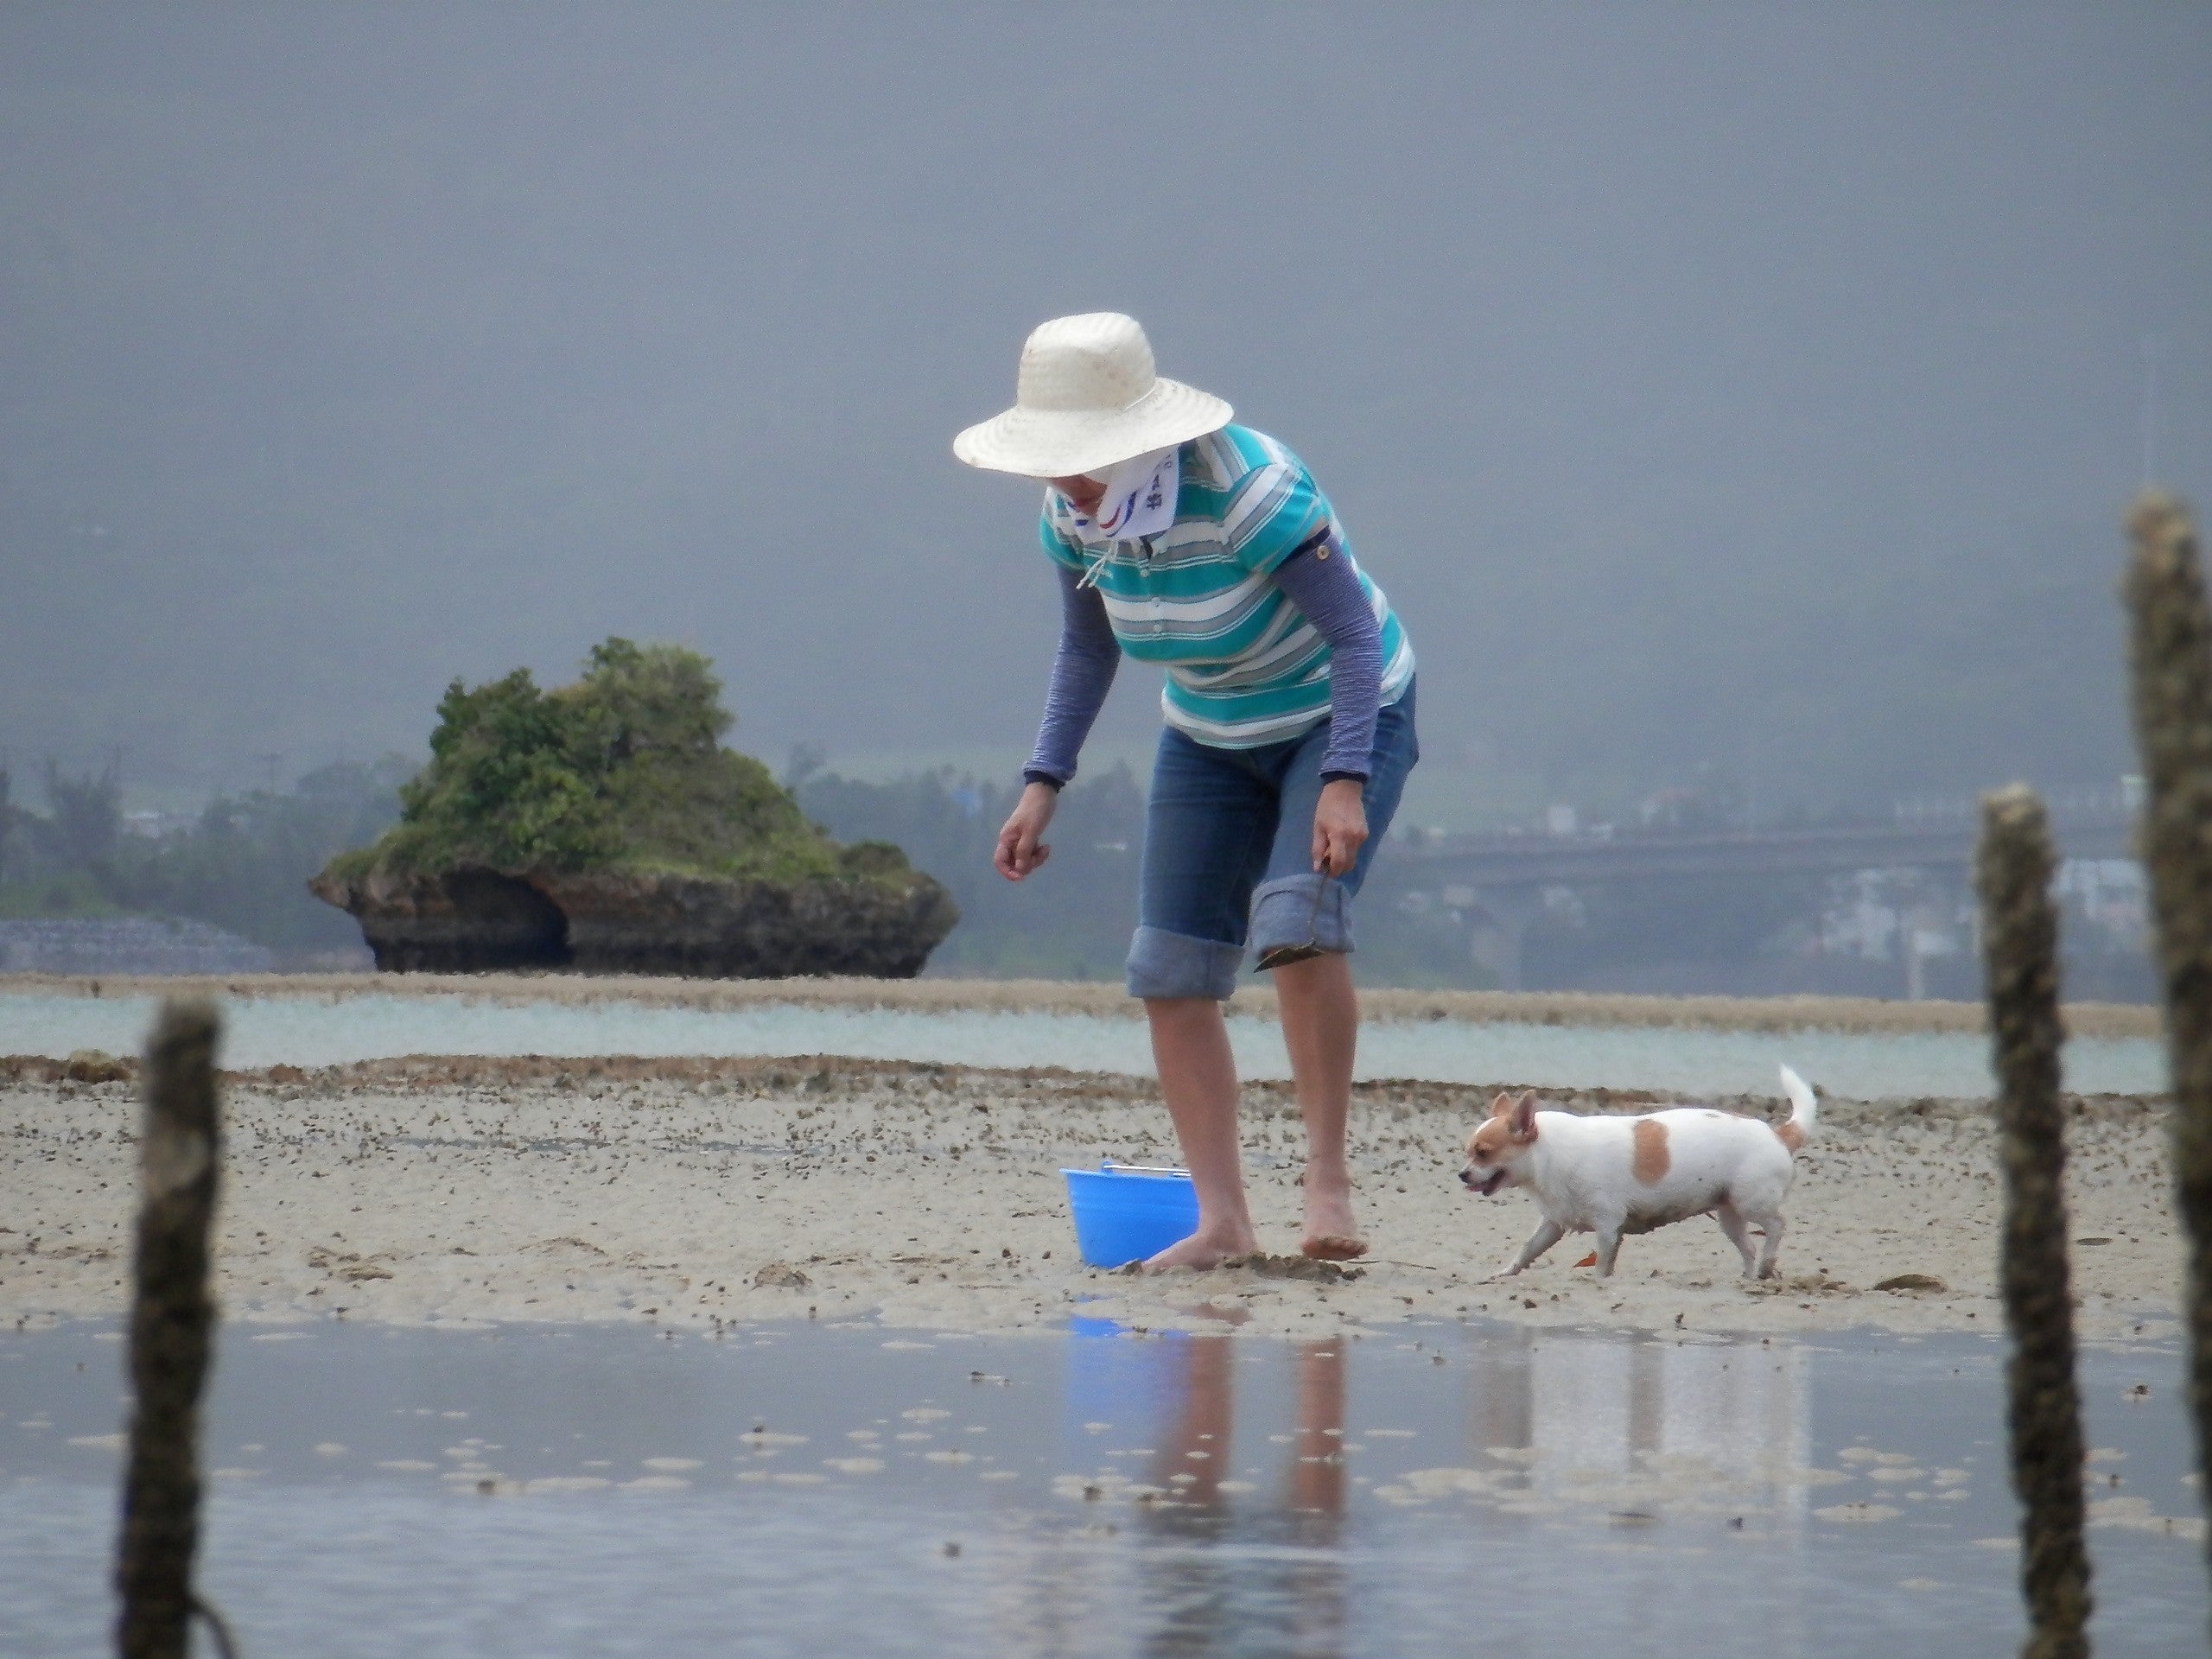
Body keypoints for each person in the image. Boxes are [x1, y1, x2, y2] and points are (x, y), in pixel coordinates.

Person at [955, 313, 1417, 1270]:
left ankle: (1325, 1178)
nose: (1064, 478)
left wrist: (1344, 781)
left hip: (1336, 714)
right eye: (1051, 459)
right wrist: (1043, 783)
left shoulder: (1249, 491)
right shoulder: (1069, 515)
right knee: (1168, 968)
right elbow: (1087, 647)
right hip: (1207, 734)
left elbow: (1354, 641)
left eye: (1078, 456)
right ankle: (1224, 1222)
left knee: (1296, 921)